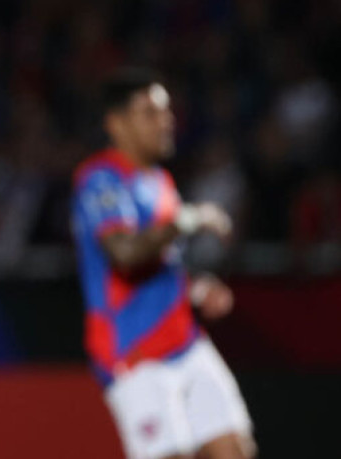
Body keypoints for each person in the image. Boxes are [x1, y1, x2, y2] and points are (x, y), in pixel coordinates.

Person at [70, 68, 255, 459]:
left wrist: (196, 287)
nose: (166, 121)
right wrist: (189, 219)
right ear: (116, 123)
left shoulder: (160, 182)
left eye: (166, 111)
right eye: (150, 112)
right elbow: (124, 253)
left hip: (185, 341)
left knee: (235, 449)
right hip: (133, 354)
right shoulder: (100, 180)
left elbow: (161, 262)